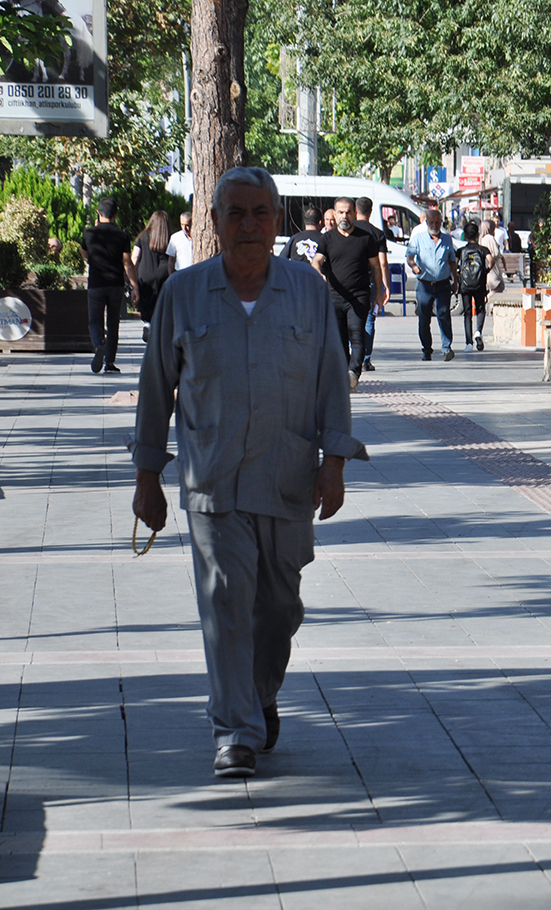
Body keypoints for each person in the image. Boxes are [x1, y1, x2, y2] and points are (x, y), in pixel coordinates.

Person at [130, 167, 367, 779]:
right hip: (212, 483)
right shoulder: (183, 295)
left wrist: (334, 462)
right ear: (213, 222)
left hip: (286, 478)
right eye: (234, 213)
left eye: (260, 213)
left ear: (277, 221)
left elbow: (329, 381)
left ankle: (259, 695)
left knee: (279, 610)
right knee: (226, 602)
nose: (248, 226)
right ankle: (235, 729)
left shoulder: (306, 292)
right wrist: (147, 477)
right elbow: (155, 389)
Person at [311, 197, 384, 391]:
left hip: (359, 296)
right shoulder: (327, 238)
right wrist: (317, 270)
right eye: (341, 212)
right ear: (334, 214)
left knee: (357, 336)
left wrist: (379, 292)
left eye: (348, 212)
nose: (344, 216)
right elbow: (317, 259)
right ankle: (346, 376)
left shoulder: (365, 238)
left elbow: (376, 267)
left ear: (354, 213)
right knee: (340, 340)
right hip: (334, 296)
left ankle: (353, 372)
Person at [81, 197, 139, 374]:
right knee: (113, 323)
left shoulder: (89, 234)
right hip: (115, 284)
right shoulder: (122, 235)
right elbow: (127, 263)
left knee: (95, 320)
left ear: (98, 213)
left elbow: (84, 254)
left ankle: (99, 345)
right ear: (116, 215)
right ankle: (110, 362)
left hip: (96, 283)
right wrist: (135, 286)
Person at [406, 208, 457, 362]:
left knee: (444, 315)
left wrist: (455, 280)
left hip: (442, 284)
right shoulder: (418, 238)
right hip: (424, 285)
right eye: (431, 222)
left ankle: (446, 348)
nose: (434, 225)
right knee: (424, 318)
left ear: (441, 223)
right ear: (426, 222)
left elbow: (452, 261)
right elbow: (409, 256)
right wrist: (414, 266)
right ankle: (426, 350)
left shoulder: (447, 240)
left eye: (437, 222)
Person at [354, 197, 390, 372]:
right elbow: (382, 263)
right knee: (369, 319)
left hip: (350, 281)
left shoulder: (348, 231)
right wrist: (385, 286)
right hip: (369, 282)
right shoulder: (377, 234)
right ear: (371, 211)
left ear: (355, 210)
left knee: (351, 319)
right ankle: (365, 359)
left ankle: (353, 356)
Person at [132, 210, 173, 340]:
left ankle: (148, 323)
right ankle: (158, 328)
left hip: (145, 273)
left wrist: (131, 276)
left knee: (146, 300)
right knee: (161, 302)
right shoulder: (169, 237)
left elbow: (135, 257)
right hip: (164, 273)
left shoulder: (142, 237)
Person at [455, 220, 491, 353]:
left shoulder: (461, 251)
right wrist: (486, 270)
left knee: (467, 313)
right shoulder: (482, 250)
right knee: (481, 309)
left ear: (465, 235)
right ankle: (478, 332)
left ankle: (468, 343)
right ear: (477, 235)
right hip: (479, 284)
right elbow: (491, 260)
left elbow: (454, 264)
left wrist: (456, 277)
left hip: (465, 285)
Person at [479, 219, 505, 296]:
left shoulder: (481, 238)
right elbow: (496, 253)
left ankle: (488, 302)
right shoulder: (490, 238)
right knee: (499, 286)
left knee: (492, 288)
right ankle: (487, 300)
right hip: (493, 267)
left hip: (486, 267)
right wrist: (499, 256)